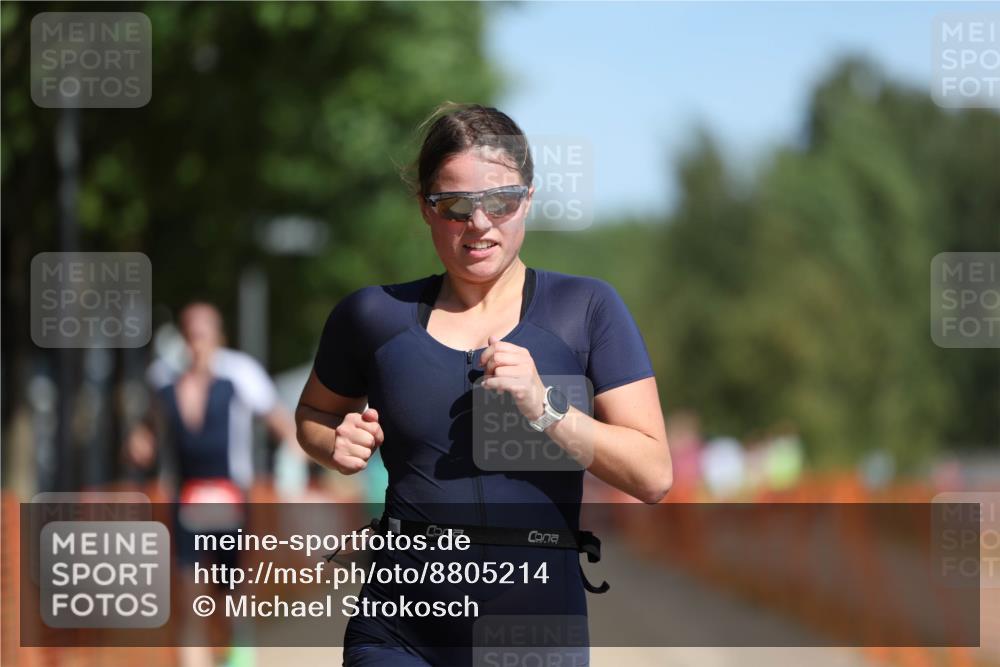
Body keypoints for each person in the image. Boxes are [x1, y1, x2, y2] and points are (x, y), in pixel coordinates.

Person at [296, 103, 672, 666]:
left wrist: (548, 409)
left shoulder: (586, 309)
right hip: (399, 629)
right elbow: (313, 416)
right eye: (454, 205)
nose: (479, 224)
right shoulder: (372, 316)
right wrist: (332, 443)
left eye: (501, 201)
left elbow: (653, 474)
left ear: (529, 199)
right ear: (425, 208)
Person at [127, 302, 300, 667]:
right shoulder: (163, 380)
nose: (196, 343)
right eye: (190, 335)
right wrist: (141, 442)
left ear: (217, 336)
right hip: (185, 499)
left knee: (230, 593)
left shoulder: (240, 374)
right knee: (189, 595)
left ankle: (238, 655)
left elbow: (281, 422)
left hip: (231, 498)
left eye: (203, 334)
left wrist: (295, 464)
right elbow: (149, 427)